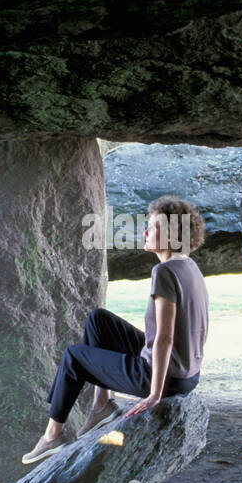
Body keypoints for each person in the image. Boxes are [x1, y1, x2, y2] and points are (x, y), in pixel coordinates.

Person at [21, 194, 210, 465]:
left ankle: (54, 434)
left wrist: (155, 394)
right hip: (187, 374)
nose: (145, 232)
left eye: (153, 227)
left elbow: (166, 338)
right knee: (99, 320)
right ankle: (102, 404)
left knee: (74, 357)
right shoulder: (189, 267)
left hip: (165, 378)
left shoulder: (165, 272)